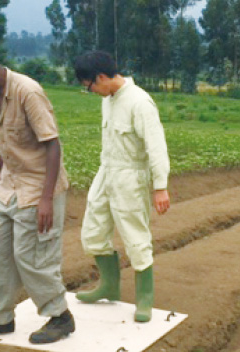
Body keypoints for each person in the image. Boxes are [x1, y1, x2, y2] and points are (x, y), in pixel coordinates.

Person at [0, 43, 74, 344]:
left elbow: (52, 144)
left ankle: (60, 317)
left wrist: (46, 198)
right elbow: (3, 147)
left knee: (31, 255)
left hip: (38, 186)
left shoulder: (27, 91)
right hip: (10, 187)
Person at [73, 50, 170, 323]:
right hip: (107, 172)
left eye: (89, 86)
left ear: (101, 77)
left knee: (135, 236)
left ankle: (144, 299)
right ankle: (109, 286)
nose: (90, 91)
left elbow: (156, 147)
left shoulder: (140, 102)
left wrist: (160, 186)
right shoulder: (109, 99)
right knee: (92, 231)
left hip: (131, 176)